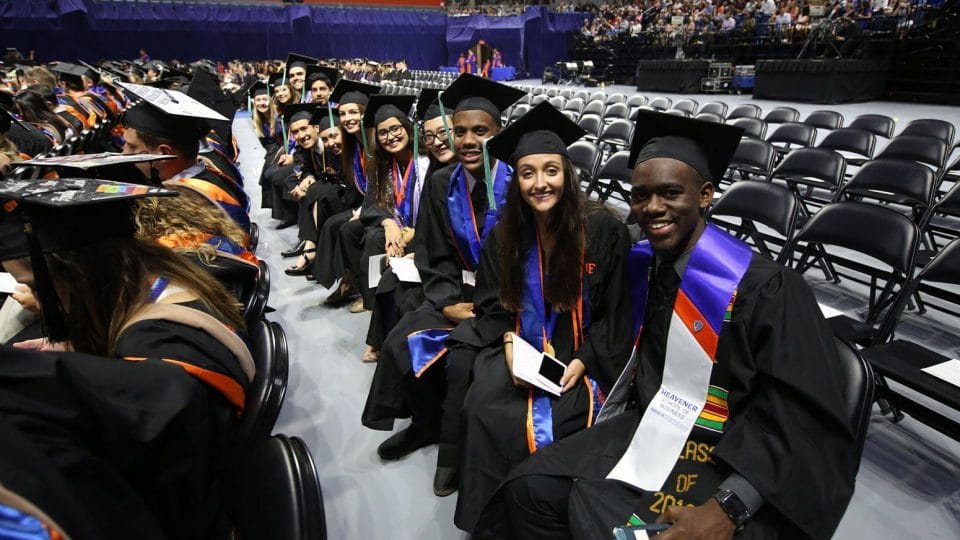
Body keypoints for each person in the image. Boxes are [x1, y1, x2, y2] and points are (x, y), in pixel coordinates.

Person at [499, 112, 859, 540]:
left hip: (733, 451)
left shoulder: (769, 290)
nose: (652, 208)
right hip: (654, 423)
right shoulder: (644, 266)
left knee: (605, 518)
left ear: (706, 194)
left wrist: (729, 506)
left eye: (670, 193)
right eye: (640, 195)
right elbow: (612, 331)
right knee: (526, 489)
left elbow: (803, 420)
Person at [0, 178, 254, 539]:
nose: (38, 300)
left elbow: (168, 482)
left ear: (83, 275)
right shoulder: (162, 279)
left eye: (40, 287)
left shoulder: (161, 346)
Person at [452, 103, 633, 536]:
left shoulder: (604, 230)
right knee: (482, 405)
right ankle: (487, 525)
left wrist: (585, 359)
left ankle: (532, 518)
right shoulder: (505, 234)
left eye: (550, 170)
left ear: (568, 174)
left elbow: (618, 313)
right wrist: (512, 345)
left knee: (533, 419)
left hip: (583, 356)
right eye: (528, 173)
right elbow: (492, 305)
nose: (540, 183)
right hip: (522, 344)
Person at [360, 74, 524, 490]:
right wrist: (447, 300)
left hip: (509, 302)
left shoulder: (520, 185)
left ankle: (451, 449)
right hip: (457, 292)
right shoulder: (440, 184)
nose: (468, 141)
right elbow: (435, 254)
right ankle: (425, 422)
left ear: (499, 133)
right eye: (460, 132)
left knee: (462, 357)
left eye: (480, 132)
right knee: (400, 340)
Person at [353, 94, 431, 360]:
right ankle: (377, 315)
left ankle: (378, 336)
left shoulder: (428, 161)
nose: (390, 136)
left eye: (395, 129)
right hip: (398, 228)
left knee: (384, 258)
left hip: (424, 231)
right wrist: (388, 223)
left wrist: (414, 233)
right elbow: (371, 204)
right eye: (383, 132)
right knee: (375, 242)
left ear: (407, 128)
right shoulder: (382, 166)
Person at [315, 79, 380, 306]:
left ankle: (363, 289)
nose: (347, 118)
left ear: (364, 113)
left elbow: (384, 185)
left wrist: (363, 210)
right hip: (367, 202)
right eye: (342, 114)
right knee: (332, 223)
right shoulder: (355, 145)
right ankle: (345, 279)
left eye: (353, 112)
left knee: (348, 229)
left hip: (382, 207)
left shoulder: (376, 141)